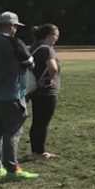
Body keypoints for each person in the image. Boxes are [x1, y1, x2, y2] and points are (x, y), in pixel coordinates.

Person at [0, 11, 39, 180]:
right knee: (12, 133)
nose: (16, 29)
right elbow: (30, 63)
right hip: (13, 96)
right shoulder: (14, 42)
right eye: (15, 26)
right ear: (11, 26)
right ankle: (12, 169)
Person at [28, 23, 62, 160]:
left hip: (35, 90)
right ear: (49, 36)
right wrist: (51, 80)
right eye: (56, 36)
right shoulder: (47, 49)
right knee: (43, 122)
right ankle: (39, 152)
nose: (57, 39)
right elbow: (52, 68)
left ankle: (35, 150)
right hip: (46, 92)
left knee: (37, 121)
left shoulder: (33, 48)